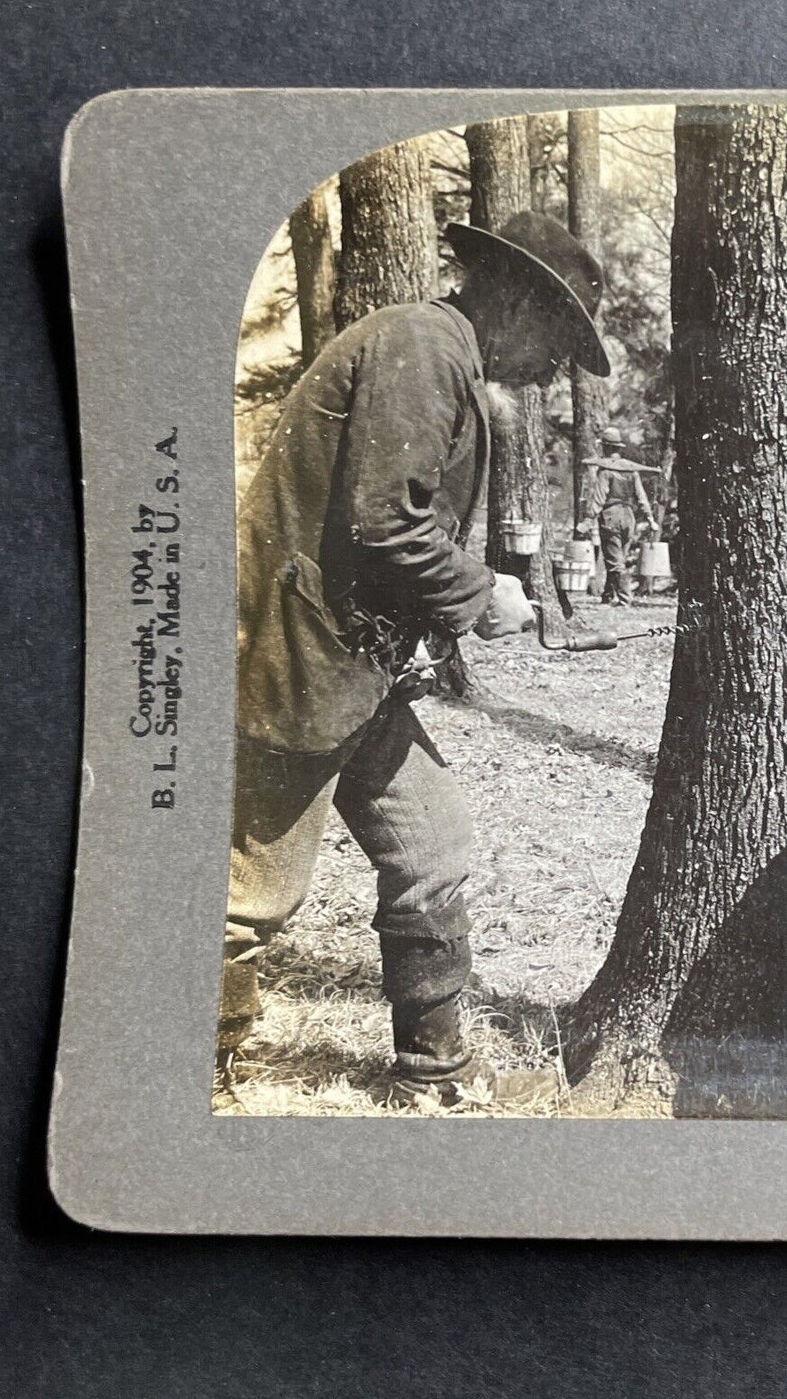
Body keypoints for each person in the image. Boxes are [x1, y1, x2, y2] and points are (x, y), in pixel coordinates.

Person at [225, 210, 612, 1108]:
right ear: (514, 299)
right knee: (255, 899)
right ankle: (193, 1071)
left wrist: (446, 620)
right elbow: (381, 521)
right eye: (557, 338)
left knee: (431, 845)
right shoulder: (422, 346)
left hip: (353, 668)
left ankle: (435, 1073)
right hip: (298, 664)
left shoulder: (444, 360)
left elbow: (386, 532)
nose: (556, 367)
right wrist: (481, 598)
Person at [577, 426, 655, 605]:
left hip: (611, 515)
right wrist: (649, 518)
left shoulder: (605, 471)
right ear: (618, 448)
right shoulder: (631, 470)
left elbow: (599, 497)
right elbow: (641, 496)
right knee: (618, 558)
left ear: (605, 447)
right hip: (629, 517)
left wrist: (589, 519)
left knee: (615, 561)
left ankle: (625, 599)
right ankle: (607, 595)